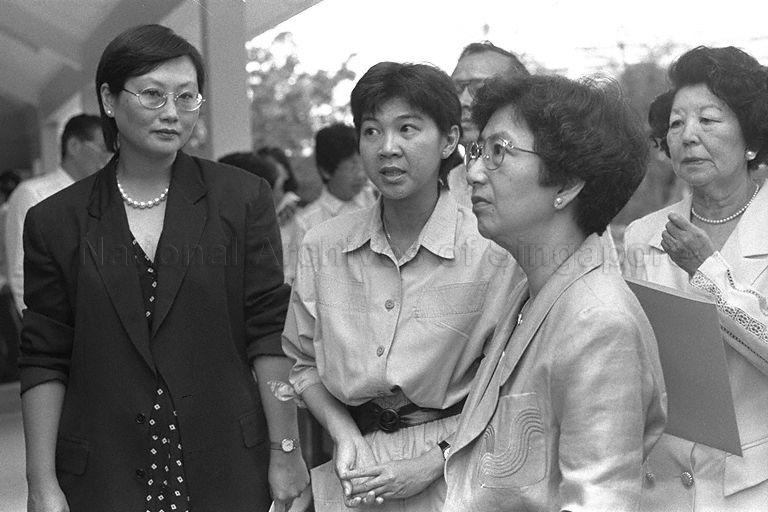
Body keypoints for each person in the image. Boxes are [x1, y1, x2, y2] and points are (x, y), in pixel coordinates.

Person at [19, 24, 308, 512]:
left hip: (226, 463)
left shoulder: (240, 199)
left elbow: (268, 332)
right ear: (109, 100)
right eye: (153, 95)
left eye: (187, 97)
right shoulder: (55, 221)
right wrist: (41, 481)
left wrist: (286, 451)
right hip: (105, 471)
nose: (172, 113)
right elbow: (46, 355)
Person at [282, 62, 521, 512]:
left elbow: (515, 386)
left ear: (450, 140)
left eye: (407, 129)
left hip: (460, 474)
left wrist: (435, 460)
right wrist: (345, 434)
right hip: (356, 471)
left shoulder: (493, 251)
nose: (387, 148)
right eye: (371, 131)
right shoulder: (323, 245)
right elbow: (302, 363)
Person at [443, 74, 667, 511]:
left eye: (498, 152)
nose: (472, 172)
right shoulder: (533, 293)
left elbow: (601, 501)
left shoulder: (598, 322)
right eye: (477, 150)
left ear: (566, 185)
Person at [623, 46, 768, 511]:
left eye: (708, 120)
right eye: (676, 123)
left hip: (751, 486)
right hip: (659, 485)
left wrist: (707, 272)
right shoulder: (645, 234)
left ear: (751, 138)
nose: (688, 136)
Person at [5, 114, 110, 315]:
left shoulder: (103, 197)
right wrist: (40, 333)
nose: (107, 159)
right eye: (103, 149)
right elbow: (22, 272)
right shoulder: (34, 194)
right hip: (57, 325)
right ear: (74, 146)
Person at [283, 123, 375, 285]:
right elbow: (297, 281)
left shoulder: (379, 202)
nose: (361, 174)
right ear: (326, 171)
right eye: (352, 167)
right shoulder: (307, 223)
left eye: (362, 163)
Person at [448, 41, 529, 206]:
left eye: (480, 90)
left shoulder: (534, 179)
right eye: (456, 89)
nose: (463, 101)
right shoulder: (443, 183)